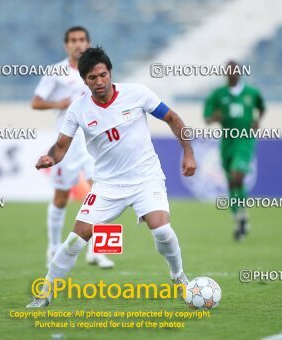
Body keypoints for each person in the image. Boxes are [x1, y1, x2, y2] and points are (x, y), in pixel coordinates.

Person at [27, 47, 196, 308]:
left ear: (110, 73)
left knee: (162, 230)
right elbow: (60, 147)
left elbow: (172, 118)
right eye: (92, 78)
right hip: (107, 185)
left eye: (102, 75)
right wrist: (50, 158)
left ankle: (179, 277)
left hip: (145, 178)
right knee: (75, 239)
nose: (99, 82)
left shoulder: (137, 93)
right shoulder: (78, 109)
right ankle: (45, 291)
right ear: (84, 81)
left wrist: (188, 152)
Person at [31, 26, 113, 269]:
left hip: (93, 142)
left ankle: (98, 251)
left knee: (102, 193)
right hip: (66, 142)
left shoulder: (97, 72)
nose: (78, 44)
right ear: (66, 45)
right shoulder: (56, 71)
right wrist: (60, 103)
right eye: (73, 40)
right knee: (61, 197)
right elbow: (36, 102)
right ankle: (53, 247)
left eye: (82, 40)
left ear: (88, 42)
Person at [204, 61, 265, 241]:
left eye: (235, 71)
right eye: (229, 72)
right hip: (227, 141)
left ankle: (241, 214)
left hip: (245, 140)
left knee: (238, 175)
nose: (232, 75)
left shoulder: (251, 93)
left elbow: (261, 107)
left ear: (239, 73)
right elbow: (207, 117)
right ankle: (239, 217)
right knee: (231, 182)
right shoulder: (218, 95)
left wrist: (257, 121)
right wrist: (214, 118)